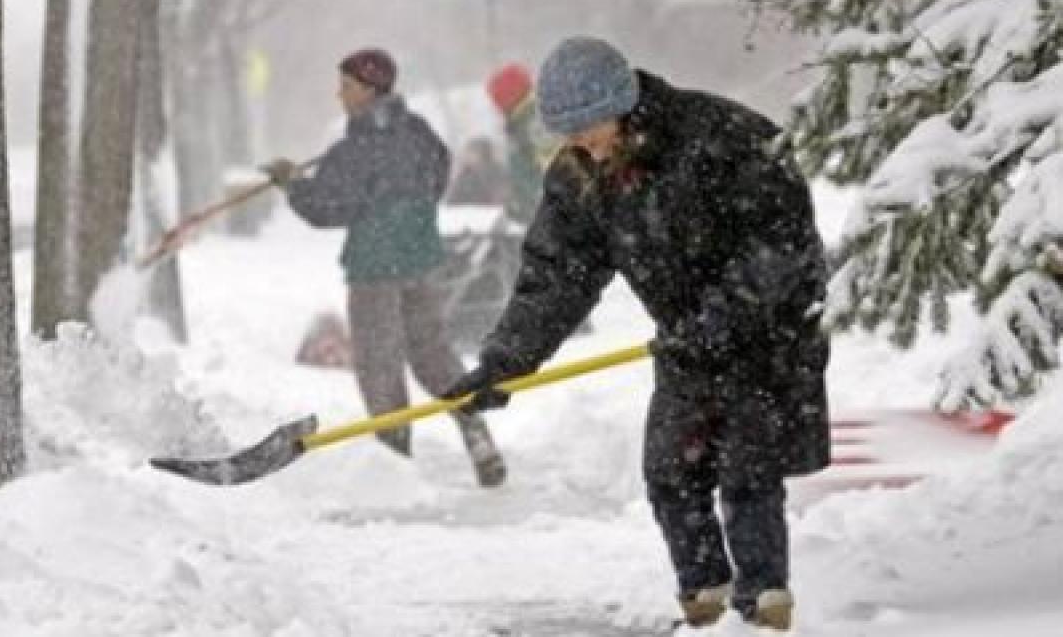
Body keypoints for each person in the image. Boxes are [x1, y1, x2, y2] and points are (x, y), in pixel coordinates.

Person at [444, 37, 830, 629]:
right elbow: (556, 277)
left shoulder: (721, 136)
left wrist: (723, 316)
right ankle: (706, 605)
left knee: (747, 474)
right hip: (685, 344)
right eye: (567, 130)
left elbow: (784, 243)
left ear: (622, 105)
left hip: (765, 336)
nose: (579, 141)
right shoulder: (580, 173)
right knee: (672, 473)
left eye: (589, 126)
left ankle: (762, 611)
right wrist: (504, 364)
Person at [265, 47, 506, 488]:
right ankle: (476, 432)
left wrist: (292, 184)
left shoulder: (355, 149)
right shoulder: (418, 132)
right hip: (420, 260)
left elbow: (324, 207)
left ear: (369, 89)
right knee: (432, 353)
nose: (339, 95)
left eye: (347, 86)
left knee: (379, 363)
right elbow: (439, 173)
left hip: (374, 267)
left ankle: (395, 462)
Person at [485, 62, 556, 224]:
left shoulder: (534, 122)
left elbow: (551, 165)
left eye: (497, 99)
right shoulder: (521, 122)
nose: (496, 108)